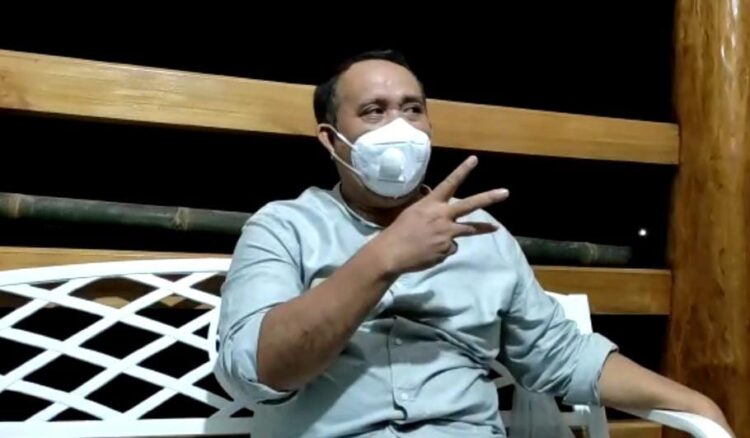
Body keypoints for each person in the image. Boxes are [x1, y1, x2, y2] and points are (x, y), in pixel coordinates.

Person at [214, 50, 732, 437]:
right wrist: (384, 258)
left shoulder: (483, 235)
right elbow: (259, 370)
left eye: (412, 110)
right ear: (331, 139)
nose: (399, 126)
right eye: (373, 111)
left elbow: (560, 355)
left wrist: (696, 404)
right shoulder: (282, 227)